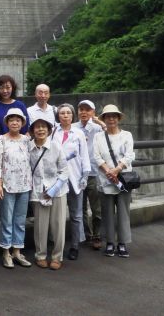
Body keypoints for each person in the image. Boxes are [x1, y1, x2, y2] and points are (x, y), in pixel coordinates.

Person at [93, 104, 135, 258]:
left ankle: (122, 243)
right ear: (104, 118)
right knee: (107, 212)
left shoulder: (127, 135)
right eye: (108, 116)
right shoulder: (98, 137)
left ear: (118, 118)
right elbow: (97, 156)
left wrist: (116, 170)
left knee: (124, 212)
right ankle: (110, 242)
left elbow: (130, 155)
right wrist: (108, 171)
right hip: (106, 179)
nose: (111, 118)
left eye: (114, 116)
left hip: (123, 179)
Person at [0, 107, 32, 269]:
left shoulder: (26, 140)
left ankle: (17, 251)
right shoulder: (1, 139)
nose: (15, 122)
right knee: (7, 220)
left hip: (24, 185)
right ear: (7, 122)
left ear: (22, 123)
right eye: (11, 120)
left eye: (18, 120)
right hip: (7, 185)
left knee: (20, 220)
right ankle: (6, 253)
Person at [29, 116, 69, 270]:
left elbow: (64, 170)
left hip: (57, 191)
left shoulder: (56, 146)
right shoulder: (29, 147)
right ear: (32, 131)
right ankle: (40, 255)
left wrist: (55, 188)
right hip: (39, 191)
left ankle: (57, 256)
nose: (40, 129)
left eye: (43, 127)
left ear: (49, 130)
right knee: (40, 225)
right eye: (37, 127)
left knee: (58, 225)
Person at [53, 104, 90, 261]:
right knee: (57, 216)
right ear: (58, 116)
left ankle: (75, 245)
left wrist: (85, 176)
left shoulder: (79, 133)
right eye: (62, 113)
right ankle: (57, 245)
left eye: (68, 113)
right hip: (57, 179)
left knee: (76, 215)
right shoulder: (53, 131)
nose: (65, 115)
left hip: (75, 178)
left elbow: (85, 156)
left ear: (72, 115)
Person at [73, 99, 105, 250]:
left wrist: (99, 121)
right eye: (81, 109)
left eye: (88, 110)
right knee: (81, 208)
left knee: (96, 207)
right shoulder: (73, 128)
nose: (84, 112)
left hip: (93, 172)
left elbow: (109, 133)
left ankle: (97, 234)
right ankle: (87, 234)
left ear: (93, 112)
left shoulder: (98, 128)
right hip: (77, 173)